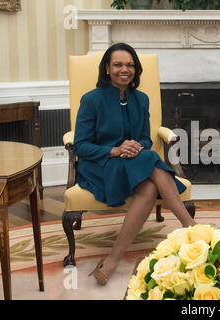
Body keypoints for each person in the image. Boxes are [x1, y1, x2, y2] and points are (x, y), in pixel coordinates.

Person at [74, 43, 196, 285]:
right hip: (101, 164)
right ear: (107, 69)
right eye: (118, 64)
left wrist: (136, 146)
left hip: (131, 162)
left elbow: (145, 139)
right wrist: (115, 150)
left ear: (136, 69)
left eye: (130, 65)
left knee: (149, 186)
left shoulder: (141, 99)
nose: (124, 69)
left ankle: (112, 260)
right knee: (151, 159)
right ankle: (191, 227)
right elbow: (81, 145)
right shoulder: (91, 100)